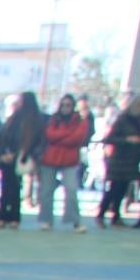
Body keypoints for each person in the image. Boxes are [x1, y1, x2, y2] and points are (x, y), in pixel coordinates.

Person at [37, 94, 89, 232]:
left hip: (70, 160)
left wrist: (59, 138)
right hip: (49, 159)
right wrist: (67, 134)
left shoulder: (80, 121)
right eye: (63, 105)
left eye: (68, 105)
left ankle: (75, 221)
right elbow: (49, 135)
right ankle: (47, 220)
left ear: (73, 107)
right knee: (46, 191)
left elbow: (77, 138)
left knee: (71, 190)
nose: (65, 108)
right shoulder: (52, 119)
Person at [97, 95, 140, 227]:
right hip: (119, 159)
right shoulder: (122, 119)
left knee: (123, 189)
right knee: (114, 188)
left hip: (132, 160)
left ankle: (116, 216)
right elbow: (109, 139)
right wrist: (127, 140)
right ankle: (101, 214)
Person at [0, 91, 44, 228]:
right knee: (6, 187)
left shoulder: (33, 120)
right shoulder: (13, 118)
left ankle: (14, 216)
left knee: (15, 187)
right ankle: (3, 216)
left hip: (21, 156)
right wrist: (3, 153)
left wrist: (17, 154)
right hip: (8, 156)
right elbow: (3, 136)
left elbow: (32, 140)